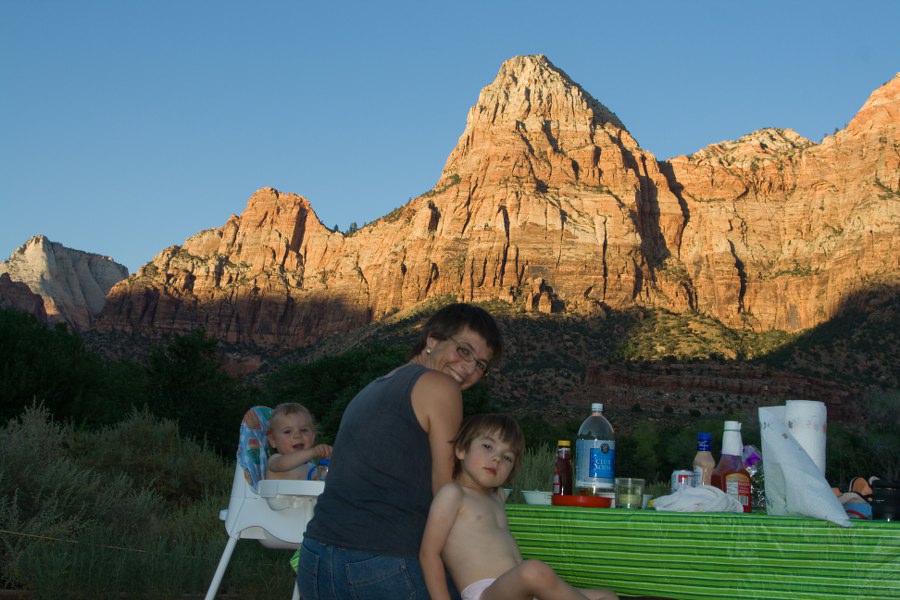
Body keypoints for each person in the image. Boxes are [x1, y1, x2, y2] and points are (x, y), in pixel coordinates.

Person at [297, 303, 503, 599]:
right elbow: (445, 492)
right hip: (383, 563)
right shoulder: (441, 387)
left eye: (481, 365)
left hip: (316, 559)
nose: (470, 368)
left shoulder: (375, 387)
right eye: (464, 351)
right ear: (432, 340)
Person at [420, 414, 619, 600]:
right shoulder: (453, 494)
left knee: (606, 595)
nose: (497, 458)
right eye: (488, 446)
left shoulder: (497, 496)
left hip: (520, 591)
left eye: (507, 457)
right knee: (533, 570)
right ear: (461, 450)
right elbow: (429, 554)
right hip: (487, 593)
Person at [264, 402, 332, 481]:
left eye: (303, 430)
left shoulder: (311, 466)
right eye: (287, 431)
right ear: (273, 440)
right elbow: (282, 464)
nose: (297, 435)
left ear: (313, 436)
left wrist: (328, 462)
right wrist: (313, 452)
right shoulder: (275, 460)